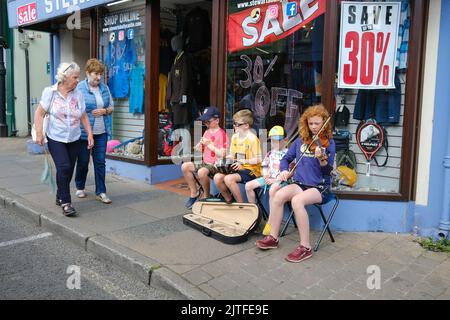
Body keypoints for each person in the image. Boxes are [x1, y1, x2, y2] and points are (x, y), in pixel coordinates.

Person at [255, 104, 335, 263]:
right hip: (301, 184)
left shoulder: (328, 144)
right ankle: (273, 237)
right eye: (310, 123)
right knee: (278, 196)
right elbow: (285, 159)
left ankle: (305, 247)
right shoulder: (300, 142)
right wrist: (284, 170)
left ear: (323, 123)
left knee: (297, 201)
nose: (313, 127)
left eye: (317, 123)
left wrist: (321, 159)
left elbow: (327, 172)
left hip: (320, 187)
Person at [34, 62, 94, 217]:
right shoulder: (50, 92)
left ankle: (60, 194)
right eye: (75, 77)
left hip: (74, 138)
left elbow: (83, 115)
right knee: (64, 167)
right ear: (64, 77)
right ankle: (66, 202)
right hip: (56, 137)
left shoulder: (78, 94)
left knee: (68, 170)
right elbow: (39, 113)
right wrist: (39, 133)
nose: (77, 80)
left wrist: (89, 134)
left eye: (77, 77)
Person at [75, 58, 114, 204]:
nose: (98, 77)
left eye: (100, 74)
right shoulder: (79, 88)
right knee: (83, 161)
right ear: (87, 73)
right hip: (84, 133)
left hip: (101, 132)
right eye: (95, 74)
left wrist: (104, 110)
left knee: (100, 162)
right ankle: (79, 186)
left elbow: (111, 106)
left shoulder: (105, 88)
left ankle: (101, 192)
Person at [181, 106, 228, 209]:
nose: (206, 124)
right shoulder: (207, 132)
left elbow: (222, 154)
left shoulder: (222, 134)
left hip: (216, 165)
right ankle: (194, 193)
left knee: (202, 171)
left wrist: (209, 146)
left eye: (208, 122)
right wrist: (200, 146)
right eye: (204, 122)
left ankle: (206, 195)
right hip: (205, 162)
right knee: (185, 166)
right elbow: (203, 148)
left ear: (217, 120)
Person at [214, 109, 262, 203]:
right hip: (237, 167)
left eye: (237, 124)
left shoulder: (252, 139)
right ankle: (229, 200)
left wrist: (243, 162)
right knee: (217, 177)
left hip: (251, 170)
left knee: (228, 178)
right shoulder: (235, 137)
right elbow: (232, 156)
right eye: (234, 123)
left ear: (246, 125)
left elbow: (258, 159)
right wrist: (220, 161)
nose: (234, 126)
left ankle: (240, 205)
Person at [245, 125, 288, 204]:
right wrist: (265, 175)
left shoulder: (289, 154)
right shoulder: (270, 153)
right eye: (272, 140)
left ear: (285, 140)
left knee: (273, 189)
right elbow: (264, 165)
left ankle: (273, 213)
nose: (274, 143)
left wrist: (275, 180)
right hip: (268, 178)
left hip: (282, 181)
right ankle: (255, 209)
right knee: (248, 186)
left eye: (277, 141)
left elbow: (289, 172)